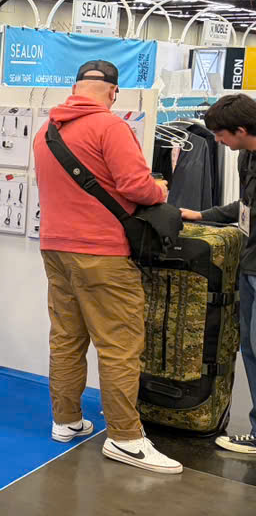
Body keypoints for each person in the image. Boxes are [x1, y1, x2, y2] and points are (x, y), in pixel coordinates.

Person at [34, 60, 181, 474]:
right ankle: (125, 438)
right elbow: (136, 186)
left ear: (75, 88)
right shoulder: (111, 126)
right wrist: (160, 189)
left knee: (66, 338)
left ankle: (66, 420)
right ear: (114, 93)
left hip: (55, 248)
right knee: (119, 346)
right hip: (102, 253)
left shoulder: (46, 131)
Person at [181, 94, 256, 454]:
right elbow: (246, 207)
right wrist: (202, 216)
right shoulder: (245, 156)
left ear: (240, 130)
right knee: (250, 348)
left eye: (221, 135)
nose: (217, 141)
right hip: (249, 264)